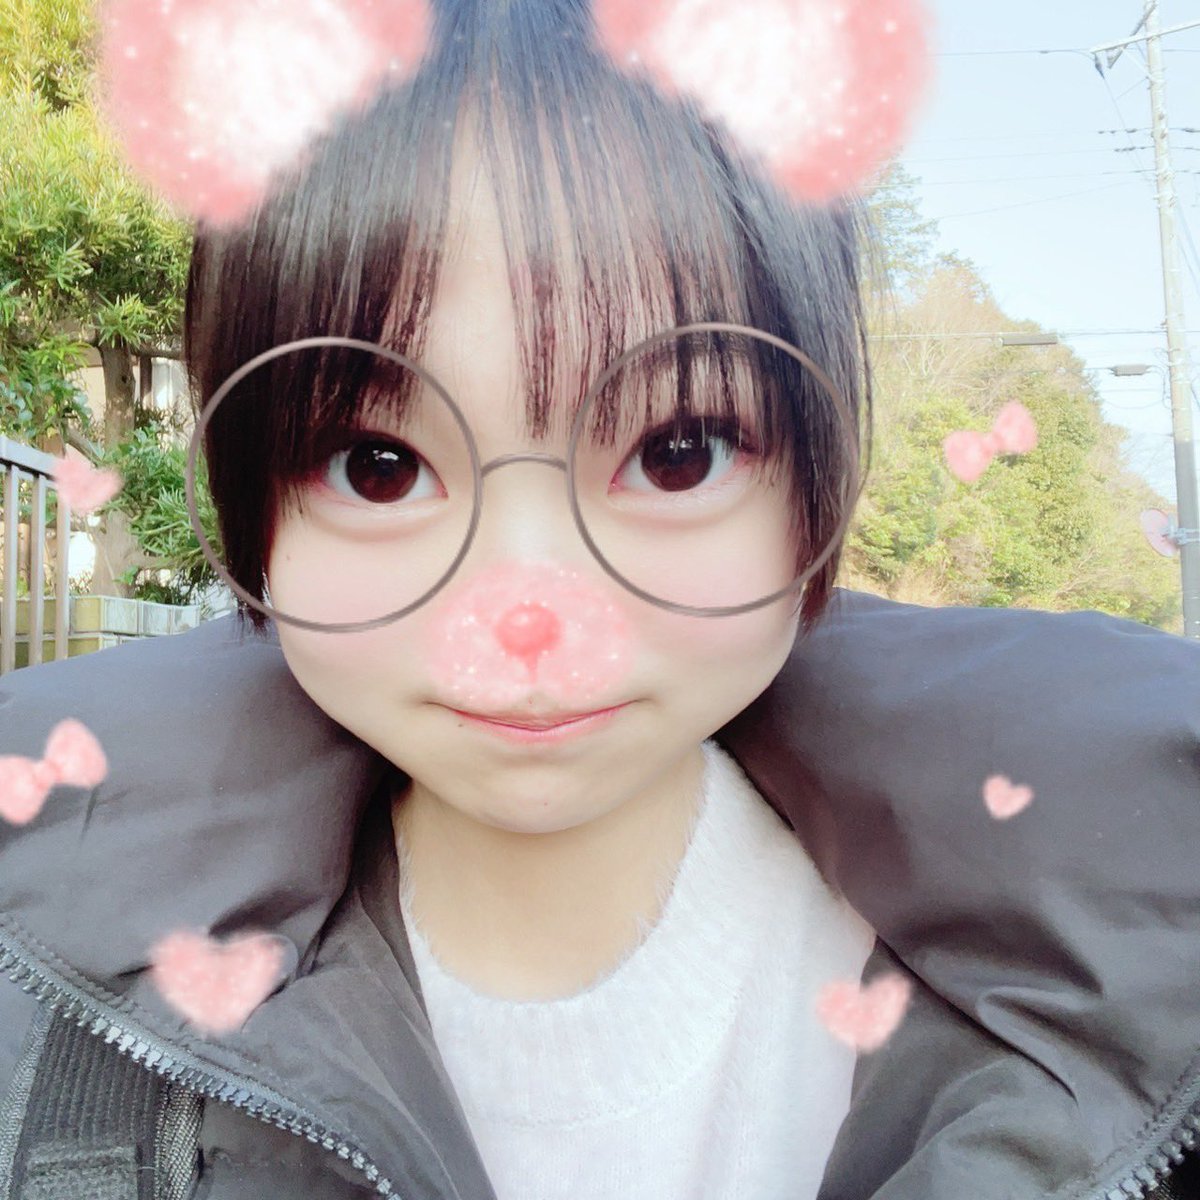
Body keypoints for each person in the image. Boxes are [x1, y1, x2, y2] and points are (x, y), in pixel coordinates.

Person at [1, 2, 1199, 1199]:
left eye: (677, 454)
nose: (529, 610)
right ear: (253, 497)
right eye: (380, 466)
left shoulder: (1125, 1006)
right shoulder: (41, 998)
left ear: (819, 469)